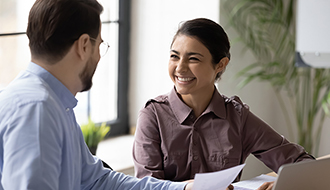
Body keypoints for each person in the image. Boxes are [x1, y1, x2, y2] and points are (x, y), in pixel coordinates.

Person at [0, 0, 194, 189]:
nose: (99, 56)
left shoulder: (55, 105)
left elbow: (97, 181)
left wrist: (183, 189)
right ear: (84, 45)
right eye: (99, 45)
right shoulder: (37, 109)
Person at [132, 18, 315, 190]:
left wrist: (279, 181)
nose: (180, 68)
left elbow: (302, 163)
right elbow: (146, 186)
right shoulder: (153, 115)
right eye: (174, 56)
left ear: (220, 65)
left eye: (193, 58)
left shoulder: (237, 117)